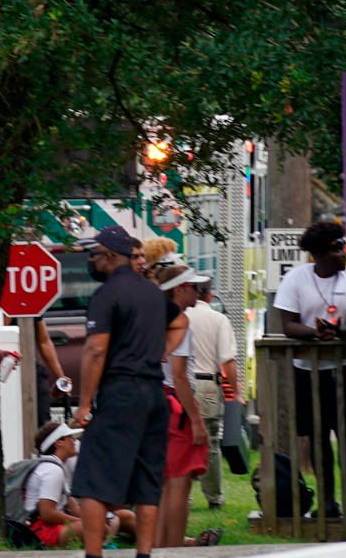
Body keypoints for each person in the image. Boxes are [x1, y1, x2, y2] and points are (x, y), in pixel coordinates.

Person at [73, 225, 172, 558]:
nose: (91, 260)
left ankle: (93, 554)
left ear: (110, 256)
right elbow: (180, 323)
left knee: (93, 479)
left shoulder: (106, 295)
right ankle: (144, 554)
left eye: (94, 254)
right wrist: (159, 353)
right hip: (154, 394)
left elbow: (95, 350)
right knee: (146, 481)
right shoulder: (153, 293)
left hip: (121, 393)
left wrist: (84, 403)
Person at [269, 220, 346, 508]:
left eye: (344, 247)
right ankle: (328, 501)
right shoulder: (295, 279)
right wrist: (316, 333)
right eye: (338, 249)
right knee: (317, 437)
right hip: (308, 370)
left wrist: (338, 331)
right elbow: (288, 325)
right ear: (320, 254)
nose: (344, 253)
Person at [154, 267, 219, 548]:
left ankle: (157, 549)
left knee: (160, 486)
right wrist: (196, 420)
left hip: (152, 403)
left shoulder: (148, 320)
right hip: (175, 407)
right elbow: (179, 378)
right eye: (193, 286)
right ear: (178, 290)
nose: (198, 291)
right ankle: (174, 550)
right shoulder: (179, 324)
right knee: (179, 484)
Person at [183, 273, 240, 510]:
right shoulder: (218, 319)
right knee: (210, 443)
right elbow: (228, 361)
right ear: (209, 295)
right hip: (206, 384)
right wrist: (235, 393)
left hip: (180, 383)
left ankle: (182, 497)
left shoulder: (177, 316)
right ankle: (213, 497)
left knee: (180, 441)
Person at [21, 421, 83, 547]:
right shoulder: (52, 470)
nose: (74, 441)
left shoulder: (53, 466)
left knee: (96, 525)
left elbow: (75, 508)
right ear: (59, 442)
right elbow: (47, 513)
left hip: (41, 528)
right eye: (70, 437)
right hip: (39, 531)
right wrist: (80, 521)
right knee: (91, 528)